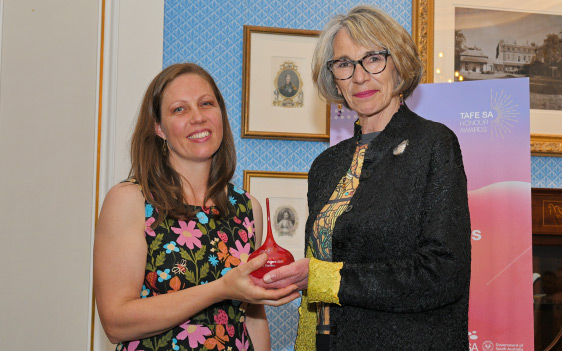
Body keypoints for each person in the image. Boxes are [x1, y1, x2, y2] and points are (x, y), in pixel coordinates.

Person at [255, 5, 471, 350]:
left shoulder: (433, 144)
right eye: (344, 64)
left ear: (398, 63)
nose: (359, 77)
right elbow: (316, 273)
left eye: (373, 58)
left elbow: (443, 275)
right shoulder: (326, 165)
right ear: (334, 79)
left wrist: (325, 278)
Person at [93, 63, 299, 351]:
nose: (198, 117)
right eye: (180, 109)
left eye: (206, 104)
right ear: (158, 128)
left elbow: (252, 318)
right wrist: (220, 290)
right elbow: (115, 322)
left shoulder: (247, 208)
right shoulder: (131, 201)